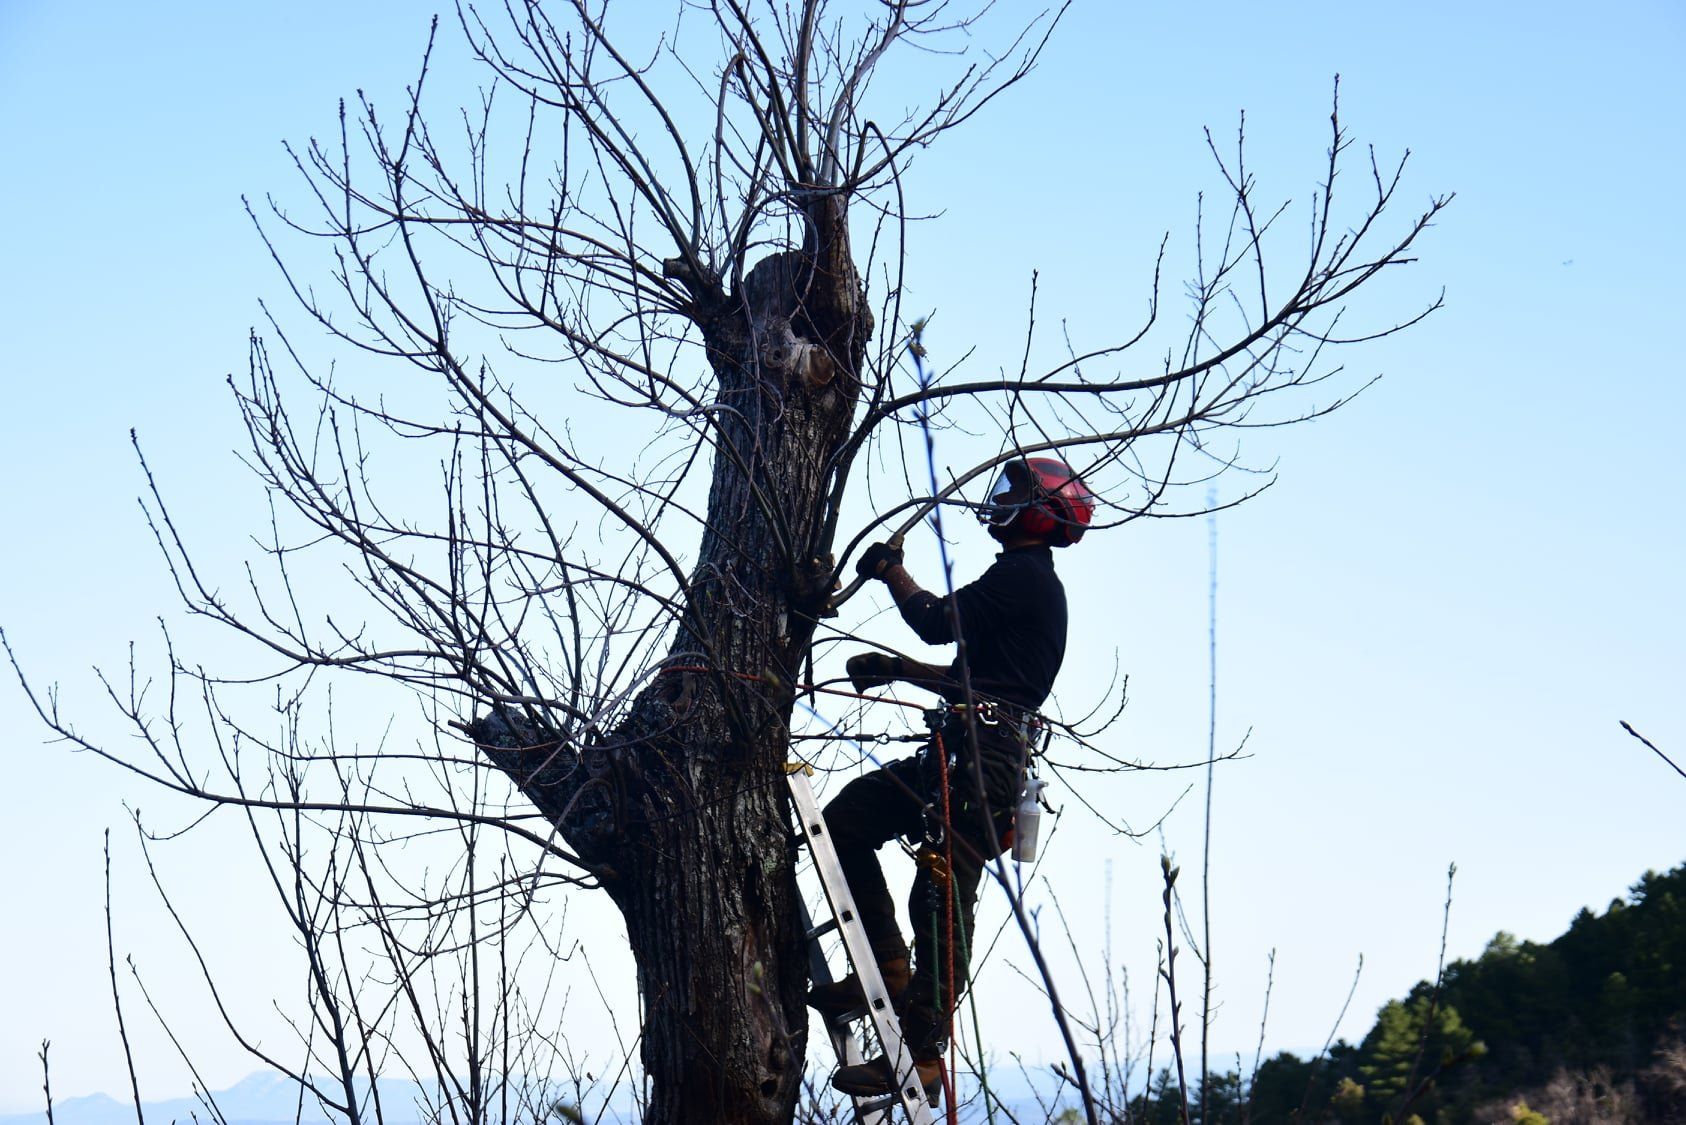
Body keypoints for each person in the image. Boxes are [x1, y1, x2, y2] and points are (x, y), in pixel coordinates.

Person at [815, 457, 1096, 1102]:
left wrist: (892, 571)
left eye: (1012, 492)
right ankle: (883, 964)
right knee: (846, 822)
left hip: (983, 761)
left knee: (941, 897)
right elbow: (968, 677)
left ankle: (921, 1054)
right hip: (968, 749)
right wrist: (898, 669)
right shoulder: (1022, 581)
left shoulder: (1025, 576)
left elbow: (937, 621)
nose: (998, 500)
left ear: (1037, 510)